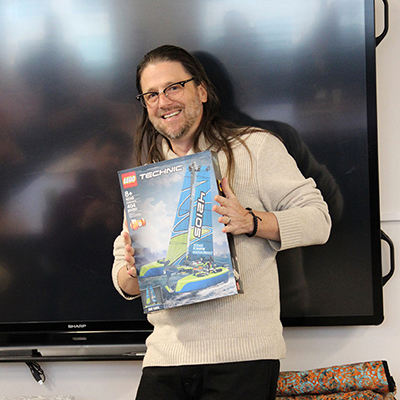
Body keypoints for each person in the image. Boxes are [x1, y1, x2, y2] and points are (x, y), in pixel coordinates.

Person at [112, 44, 331, 400]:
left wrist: (251, 222)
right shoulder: (147, 179)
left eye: (173, 87)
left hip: (243, 357)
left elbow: (319, 220)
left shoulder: (255, 148)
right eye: (151, 94)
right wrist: (135, 271)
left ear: (201, 90)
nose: (163, 101)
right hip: (165, 357)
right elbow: (123, 273)